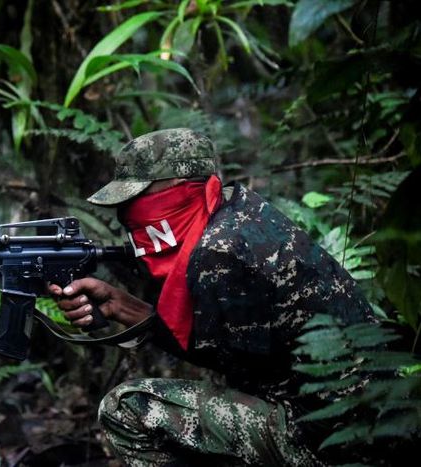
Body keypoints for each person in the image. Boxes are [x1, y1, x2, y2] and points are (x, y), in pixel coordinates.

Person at [49, 128, 375, 466]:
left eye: (139, 197)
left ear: (181, 187)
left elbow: (242, 379)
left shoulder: (218, 253)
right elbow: (233, 351)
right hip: (364, 416)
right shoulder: (237, 210)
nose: (129, 213)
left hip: (334, 440)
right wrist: (125, 307)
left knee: (126, 408)